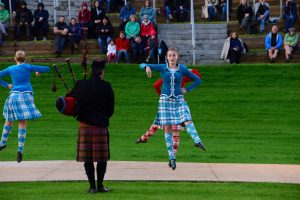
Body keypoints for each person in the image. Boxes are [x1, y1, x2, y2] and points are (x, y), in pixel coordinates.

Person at [139, 48, 206, 170]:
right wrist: (146, 67)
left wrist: (187, 89)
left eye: (174, 55)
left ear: (177, 57)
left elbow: (198, 79)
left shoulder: (182, 69)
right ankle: (172, 158)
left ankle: (197, 140)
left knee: (187, 118)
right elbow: (141, 64)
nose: (172, 57)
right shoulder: (163, 67)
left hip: (179, 99)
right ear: (167, 57)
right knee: (168, 128)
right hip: (165, 100)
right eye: (169, 55)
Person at [67, 60, 114, 193]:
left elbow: (69, 102)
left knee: (87, 158)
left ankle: (92, 187)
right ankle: (99, 186)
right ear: (102, 73)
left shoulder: (80, 84)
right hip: (100, 126)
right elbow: (110, 109)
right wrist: (102, 117)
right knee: (102, 158)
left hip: (84, 126)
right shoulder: (106, 86)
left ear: (90, 72)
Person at [136, 68, 203, 155]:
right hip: (177, 105)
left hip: (166, 104)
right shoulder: (182, 75)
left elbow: (155, 85)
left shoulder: (167, 77)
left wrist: (161, 95)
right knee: (175, 131)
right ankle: (173, 156)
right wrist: (189, 70)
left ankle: (144, 138)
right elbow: (198, 77)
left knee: (156, 124)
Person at [0, 50, 49, 163]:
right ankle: (20, 150)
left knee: (9, 120)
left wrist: (6, 85)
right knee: (22, 123)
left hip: (14, 96)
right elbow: (46, 68)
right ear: (25, 58)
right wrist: (36, 70)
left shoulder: (11, 68)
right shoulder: (28, 67)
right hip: (27, 96)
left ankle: (2, 142)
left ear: (15, 58)